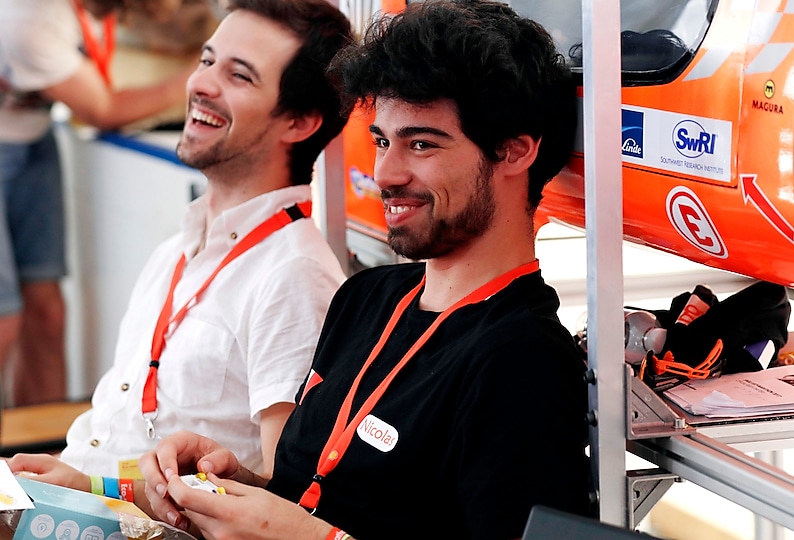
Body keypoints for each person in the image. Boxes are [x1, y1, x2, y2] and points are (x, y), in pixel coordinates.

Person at [138, 1, 592, 538]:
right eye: (381, 141)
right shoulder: (367, 296)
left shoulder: (522, 359)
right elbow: (321, 501)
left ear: (514, 152)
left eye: (421, 144)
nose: (385, 172)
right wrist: (236, 486)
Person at [8, 0, 351, 498]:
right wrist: (51, 479)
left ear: (298, 122)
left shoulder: (294, 275)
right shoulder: (177, 248)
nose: (200, 84)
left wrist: (88, 488)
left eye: (240, 76)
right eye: (207, 60)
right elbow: (112, 435)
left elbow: (279, 501)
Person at [0, 0, 197, 406]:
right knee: (4, 322)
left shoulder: (87, 11)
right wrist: (204, 72)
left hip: (33, 139)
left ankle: (42, 457)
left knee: (48, 313)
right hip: (14, 143)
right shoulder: (28, 19)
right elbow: (104, 109)